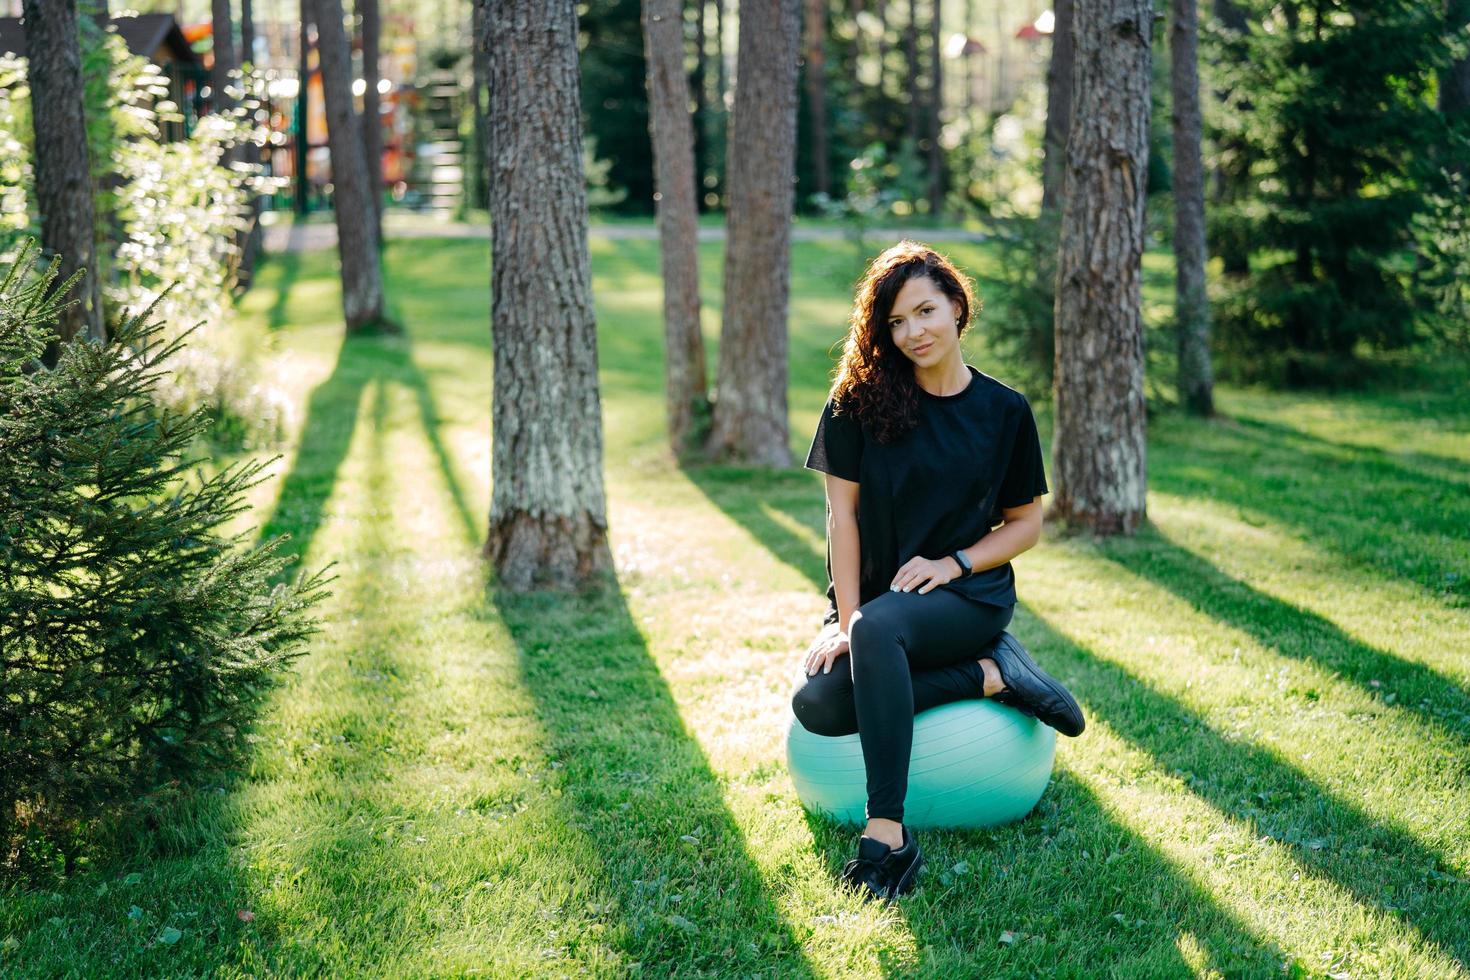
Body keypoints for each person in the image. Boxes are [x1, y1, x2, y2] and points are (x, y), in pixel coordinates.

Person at [791, 240, 1086, 904]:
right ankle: (989, 673)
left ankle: (885, 834)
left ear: (956, 307)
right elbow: (842, 520)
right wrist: (843, 618)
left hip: (967, 597)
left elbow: (1024, 525)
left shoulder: (1003, 410)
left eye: (925, 312)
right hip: (877, 608)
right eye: (895, 322)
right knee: (816, 703)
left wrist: (954, 562)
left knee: (880, 629)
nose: (913, 332)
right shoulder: (858, 401)